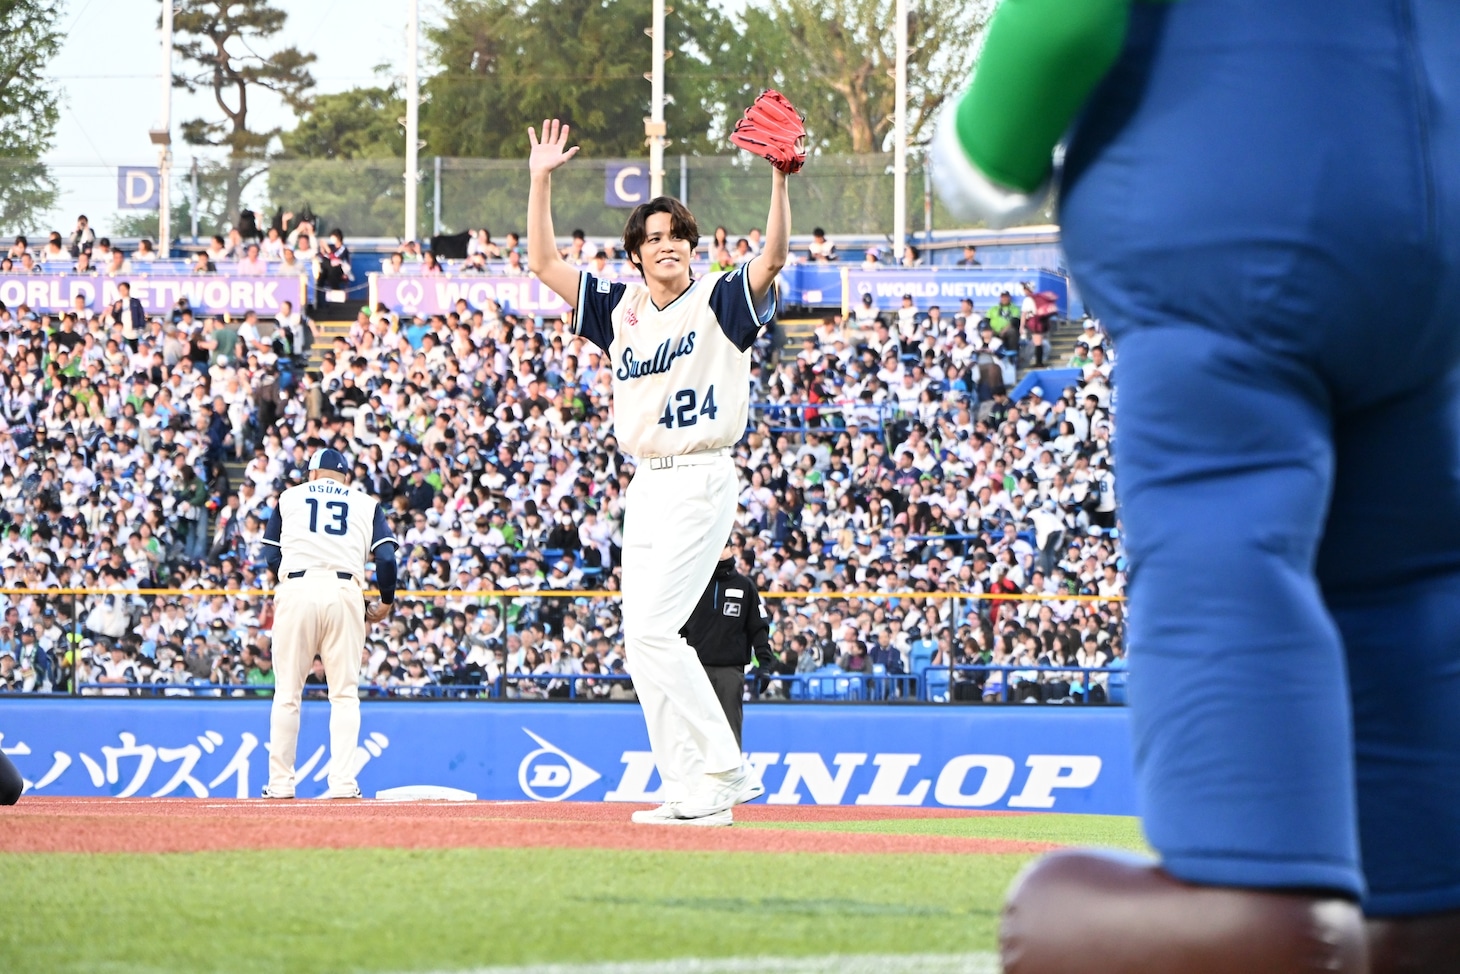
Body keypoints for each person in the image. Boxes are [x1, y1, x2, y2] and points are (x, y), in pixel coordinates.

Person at [933, 0, 1460, 972]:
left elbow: (1062, 24)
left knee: (1225, 526)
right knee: (1408, 574)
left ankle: (1252, 892)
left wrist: (984, 150)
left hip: (1228, 222)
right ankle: (1426, 905)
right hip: (1431, 243)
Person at [526, 116, 791, 826]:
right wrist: (540, 180)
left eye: (677, 235)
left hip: (700, 473)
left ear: (691, 247)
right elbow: (545, 264)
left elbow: (771, 258)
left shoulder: (718, 299)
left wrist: (777, 180)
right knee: (640, 641)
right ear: (636, 254)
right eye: (653, 237)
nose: (667, 244)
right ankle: (688, 788)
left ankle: (727, 767)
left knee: (653, 631)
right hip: (645, 480)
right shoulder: (621, 309)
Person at [260, 448, 398, 800]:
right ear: (345, 477)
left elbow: (271, 554)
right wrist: (385, 600)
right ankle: (342, 784)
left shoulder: (289, 497)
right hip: (344, 590)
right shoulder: (366, 503)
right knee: (345, 695)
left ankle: (280, 784)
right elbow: (386, 558)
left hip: (297, 587)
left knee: (287, 694)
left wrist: (295, 575)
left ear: (312, 474)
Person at [679, 540, 774, 749]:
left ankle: (732, 770)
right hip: (695, 669)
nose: (720, 551)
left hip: (730, 670)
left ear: (732, 550)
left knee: (729, 732)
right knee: (694, 733)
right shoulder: (692, 585)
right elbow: (678, 628)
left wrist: (765, 663)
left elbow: (758, 628)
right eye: (717, 544)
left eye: (724, 545)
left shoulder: (745, 586)